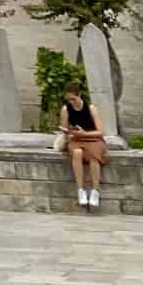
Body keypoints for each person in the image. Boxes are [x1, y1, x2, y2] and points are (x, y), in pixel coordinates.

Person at [58, 83, 109, 211]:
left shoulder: (91, 108)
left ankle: (95, 191)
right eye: (69, 99)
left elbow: (100, 131)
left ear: (79, 95)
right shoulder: (66, 109)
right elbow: (65, 131)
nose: (71, 102)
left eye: (73, 99)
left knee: (93, 155)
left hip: (93, 138)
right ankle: (80, 190)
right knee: (77, 152)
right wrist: (69, 135)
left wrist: (84, 133)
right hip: (76, 139)